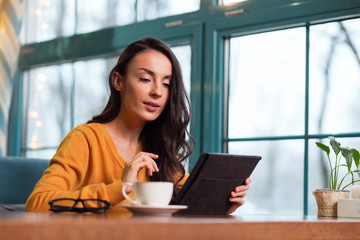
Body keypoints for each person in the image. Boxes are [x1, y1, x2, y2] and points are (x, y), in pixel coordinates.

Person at [25, 36, 251, 214]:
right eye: (145, 79)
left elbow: (187, 206)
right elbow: (36, 203)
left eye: (166, 83)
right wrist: (122, 187)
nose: (157, 92)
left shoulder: (159, 147)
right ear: (118, 81)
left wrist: (223, 202)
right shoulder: (85, 139)